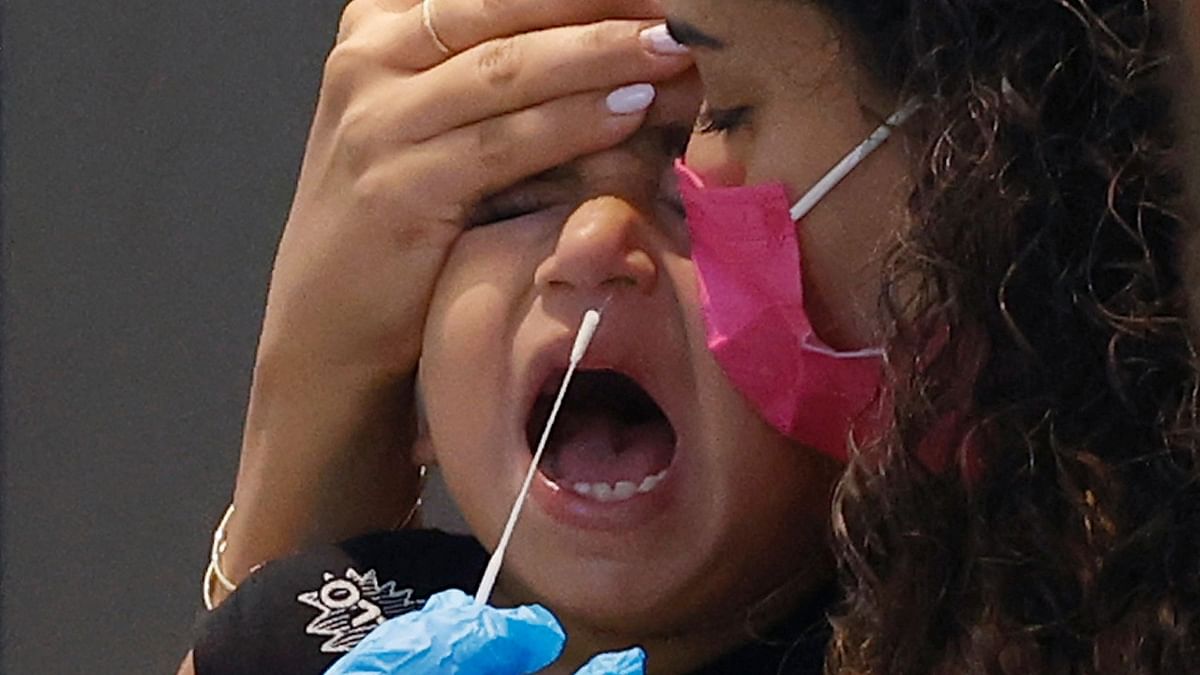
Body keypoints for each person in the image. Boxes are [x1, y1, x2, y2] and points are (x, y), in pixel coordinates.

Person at [184, 0, 1200, 673]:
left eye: (698, 165)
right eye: (507, 203)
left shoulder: (940, 639)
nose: (593, 245)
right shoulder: (305, 618)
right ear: (401, 381)